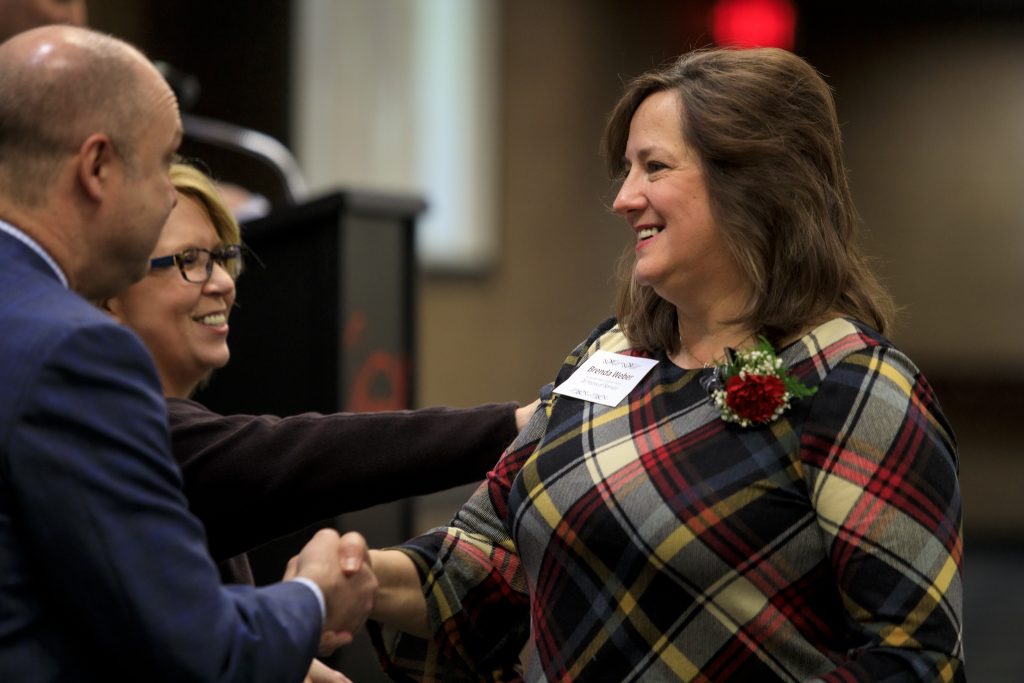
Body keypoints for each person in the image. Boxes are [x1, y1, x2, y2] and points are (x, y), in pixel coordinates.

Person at [365, 47, 965, 681]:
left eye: (654, 167)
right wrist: (354, 578)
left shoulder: (856, 386)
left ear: (755, 184)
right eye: (627, 170)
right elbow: (485, 558)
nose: (624, 199)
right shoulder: (610, 353)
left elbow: (915, 661)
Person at [0, 25, 375, 682]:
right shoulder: (76, 349)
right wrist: (313, 596)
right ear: (96, 167)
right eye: (163, 161)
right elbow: (200, 652)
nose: (172, 193)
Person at [102, 160, 532, 682]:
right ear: (110, 289)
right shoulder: (118, 424)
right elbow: (298, 453)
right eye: (189, 260)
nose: (221, 283)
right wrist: (513, 425)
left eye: (222, 257)